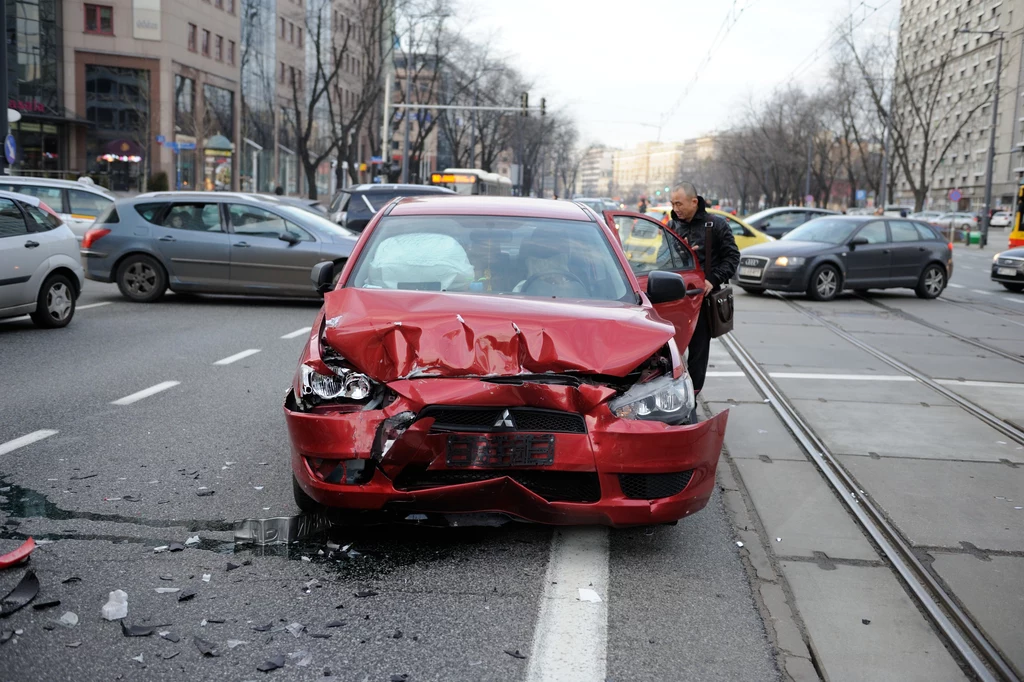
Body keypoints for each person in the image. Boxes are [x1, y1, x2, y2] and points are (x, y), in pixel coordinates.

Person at [667, 182, 740, 399]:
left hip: (703, 302)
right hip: (676, 300)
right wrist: (681, 251)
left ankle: (692, 399)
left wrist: (712, 280)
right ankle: (672, 397)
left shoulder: (716, 225)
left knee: (698, 355)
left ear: (694, 202)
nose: (676, 208)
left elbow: (733, 258)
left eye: (679, 203)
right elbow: (663, 261)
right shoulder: (672, 225)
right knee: (672, 354)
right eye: (673, 203)